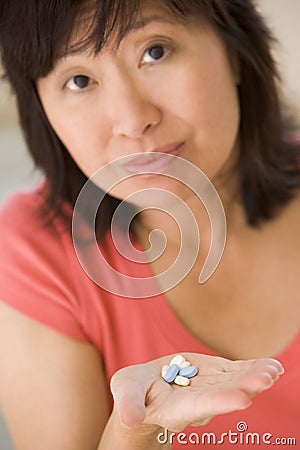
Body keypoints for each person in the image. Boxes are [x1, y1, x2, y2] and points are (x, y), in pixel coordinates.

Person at [0, 0, 299, 449]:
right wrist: (135, 429)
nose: (133, 119)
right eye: (79, 80)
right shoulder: (33, 253)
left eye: (155, 51)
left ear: (234, 49)